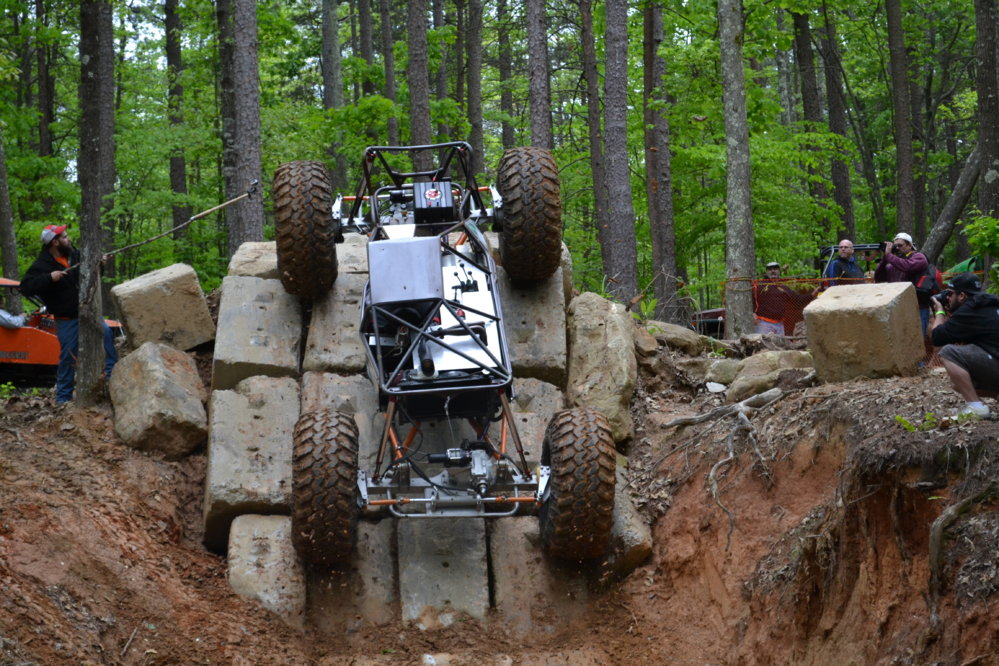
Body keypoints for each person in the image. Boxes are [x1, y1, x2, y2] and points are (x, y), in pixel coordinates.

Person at [19, 224, 118, 403]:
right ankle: (63, 398)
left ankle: (112, 380)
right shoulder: (42, 265)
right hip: (66, 319)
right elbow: (25, 287)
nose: (68, 239)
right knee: (67, 356)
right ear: (55, 242)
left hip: (89, 311)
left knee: (106, 334)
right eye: (64, 237)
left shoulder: (75, 255)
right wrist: (49, 278)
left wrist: (100, 265)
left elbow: (91, 275)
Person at [928, 273, 999, 418]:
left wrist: (940, 311)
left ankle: (976, 408)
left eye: (950, 294)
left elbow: (937, 338)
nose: (947, 297)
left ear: (961, 296)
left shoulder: (970, 311)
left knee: (949, 353)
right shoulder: (989, 304)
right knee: (960, 383)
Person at [874, 232, 930, 333]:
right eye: (896, 246)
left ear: (909, 245)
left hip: (917, 307)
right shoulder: (895, 263)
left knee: (918, 340)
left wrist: (889, 255)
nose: (898, 248)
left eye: (900, 245)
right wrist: (884, 259)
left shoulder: (919, 257)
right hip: (898, 308)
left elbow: (907, 266)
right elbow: (879, 278)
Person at [753, 261, 793, 335]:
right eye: (770, 269)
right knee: (762, 345)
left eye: (775, 269)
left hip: (780, 324)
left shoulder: (783, 287)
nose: (773, 271)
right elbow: (752, 298)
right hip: (764, 323)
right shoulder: (760, 286)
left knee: (780, 345)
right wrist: (753, 313)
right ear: (767, 272)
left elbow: (797, 298)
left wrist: (812, 294)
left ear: (779, 271)